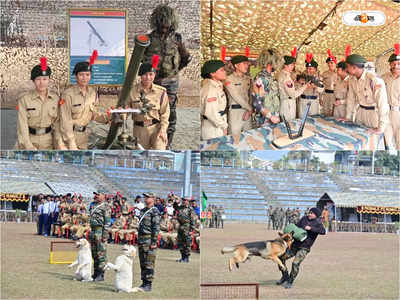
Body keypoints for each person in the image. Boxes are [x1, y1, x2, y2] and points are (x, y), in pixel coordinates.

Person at [143, 4, 191, 148]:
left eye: (167, 24)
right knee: (151, 111)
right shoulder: (149, 39)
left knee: (170, 112)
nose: (165, 27)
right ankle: (151, 140)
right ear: (157, 21)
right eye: (162, 23)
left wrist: (175, 71)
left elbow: (186, 58)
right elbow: (141, 59)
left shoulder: (177, 38)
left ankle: (167, 143)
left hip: (171, 82)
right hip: (154, 82)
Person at [58, 51, 110, 149]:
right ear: (76, 76)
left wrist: (109, 117)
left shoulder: (92, 93)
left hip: (84, 137)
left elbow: (93, 115)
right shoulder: (68, 94)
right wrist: (71, 142)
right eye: (81, 75)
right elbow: (65, 120)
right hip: (68, 138)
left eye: (87, 75)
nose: (84, 78)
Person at [276, 207, 326, 289]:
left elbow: (323, 231)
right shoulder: (304, 219)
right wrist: (286, 233)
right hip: (295, 244)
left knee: (295, 263)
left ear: (316, 215)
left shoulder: (318, 223)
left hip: (304, 248)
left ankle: (290, 281)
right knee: (280, 258)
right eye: (309, 212)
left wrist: (311, 229)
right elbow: (295, 227)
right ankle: (285, 276)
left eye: (312, 213)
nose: (309, 214)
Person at [16, 57, 59, 150]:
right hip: (28, 141)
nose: (42, 82)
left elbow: (57, 125)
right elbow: (22, 126)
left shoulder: (55, 99)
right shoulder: (24, 100)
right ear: (33, 81)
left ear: (49, 80)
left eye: (44, 79)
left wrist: (59, 144)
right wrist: (28, 146)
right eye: (38, 79)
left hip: (48, 142)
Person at [129, 56, 170, 149]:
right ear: (140, 75)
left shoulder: (161, 92)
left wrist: (163, 130)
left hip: (157, 128)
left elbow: (165, 113)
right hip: (139, 130)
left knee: (159, 154)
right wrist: (121, 115)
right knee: (140, 156)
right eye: (145, 74)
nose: (148, 77)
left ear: (154, 75)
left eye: (151, 74)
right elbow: (126, 110)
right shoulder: (132, 91)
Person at [343, 53, 389, 135]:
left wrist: (381, 127)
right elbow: (351, 99)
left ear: (354, 67)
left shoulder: (374, 80)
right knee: (358, 136)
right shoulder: (352, 79)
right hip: (360, 113)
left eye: (347, 67)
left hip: (373, 115)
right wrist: (348, 117)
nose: (346, 69)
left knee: (372, 141)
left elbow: (382, 104)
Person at [134, 193, 160, 292]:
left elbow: (156, 228)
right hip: (141, 239)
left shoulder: (154, 211)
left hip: (149, 240)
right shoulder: (143, 210)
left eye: (148, 197)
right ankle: (144, 281)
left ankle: (148, 283)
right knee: (143, 262)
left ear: (153, 199)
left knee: (149, 262)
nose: (145, 198)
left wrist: (154, 242)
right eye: (145, 197)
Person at [278, 48, 310, 121]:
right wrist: (305, 86)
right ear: (285, 65)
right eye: (291, 65)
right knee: (289, 124)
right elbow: (293, 95)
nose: (293, 67)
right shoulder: (286, 78)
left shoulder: (282, 74)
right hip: (288, 105)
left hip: (285, 103)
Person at [224, 55, 253, 135]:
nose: (247, 66)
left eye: (247, 63)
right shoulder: (229, 79)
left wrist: (249, 110)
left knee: (249, 137)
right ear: (236, 65)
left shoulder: (248, 79)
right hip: (235, 113)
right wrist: (249, 108)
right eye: (244, 63)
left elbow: (250, 96)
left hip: (247, 112)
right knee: (234, 138)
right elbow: (236, 96)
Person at [200, 60, 228, 140]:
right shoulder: (210, 89)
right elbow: (211, 113)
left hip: (217, 124)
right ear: (212, 73)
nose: (225, 72)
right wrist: (224, 126)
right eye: (222, 70)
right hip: (213, 128)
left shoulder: (216, 85)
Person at [252, 49, 281, 127]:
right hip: (265, 120)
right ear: (270, 63)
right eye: (277, 61)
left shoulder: (271, 77)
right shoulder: (261, 78)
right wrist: (270, 116)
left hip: (274, 117)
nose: (278, 64)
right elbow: (256, 102)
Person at [382, 44, 400, 149]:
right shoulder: (384, 78)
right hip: (386, 112)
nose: (396, 66)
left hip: (398, 113)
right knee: (386, 140)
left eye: (398, 63)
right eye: (393, 63)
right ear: (390, 64)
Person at [89, 192, 110, 281]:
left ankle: (101, 274)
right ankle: (96, 272)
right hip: (93, 231)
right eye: (95, 194)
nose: (96, 196)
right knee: (94, 253)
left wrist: (104, 234)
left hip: (100, 231)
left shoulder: (106, 206)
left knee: (101, 253)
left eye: (98, 194)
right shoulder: (93, 205)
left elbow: (107, 222)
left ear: (103, 196)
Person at [176, 197, 196, 263]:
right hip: (181, 227)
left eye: (185, 200)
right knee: (180, 243)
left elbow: (193, 220)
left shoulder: (190, 209)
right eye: (183, 200)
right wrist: (176, 200)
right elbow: (174, 206)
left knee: (187, 243)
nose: (184, 201)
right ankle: (182, 257)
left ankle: (186, 258)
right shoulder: (180, 207)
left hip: (187, 227)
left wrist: (191, 230)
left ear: (188, 201)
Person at [321, 51, 338, 116]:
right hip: (326, 95)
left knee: (334, 113)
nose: (330, 64)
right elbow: (321, 86)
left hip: (335, 95)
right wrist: (320, 98)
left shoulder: (339, 73)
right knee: (325, 112)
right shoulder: (324, 73)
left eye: (331, 63)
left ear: (335, 63)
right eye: (328, 63)